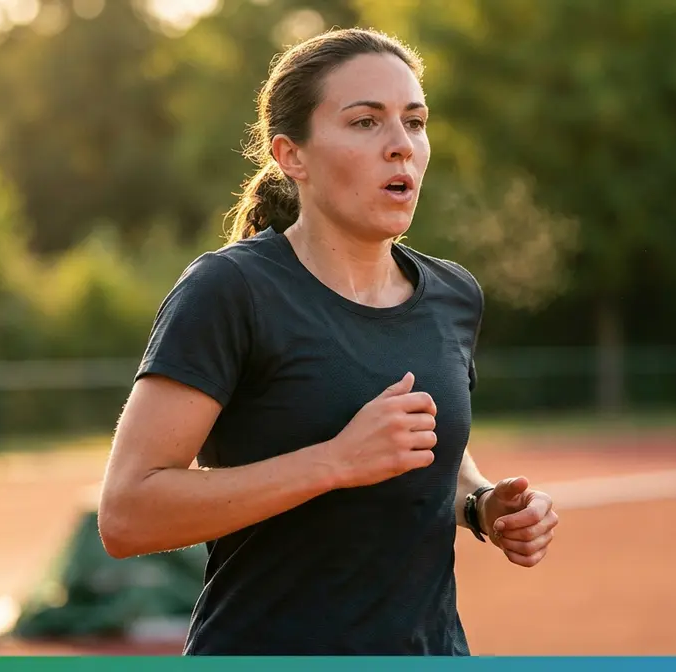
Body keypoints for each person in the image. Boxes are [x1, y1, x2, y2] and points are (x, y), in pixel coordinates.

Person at [97, 27, 559, 656]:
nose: (401, 145)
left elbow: (427, 452)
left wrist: (481, 505)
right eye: (365, 122)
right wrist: (334, 462)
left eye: (414, 122)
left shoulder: (454, 296)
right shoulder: (231, 290)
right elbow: (127, 513)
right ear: (292, 156)